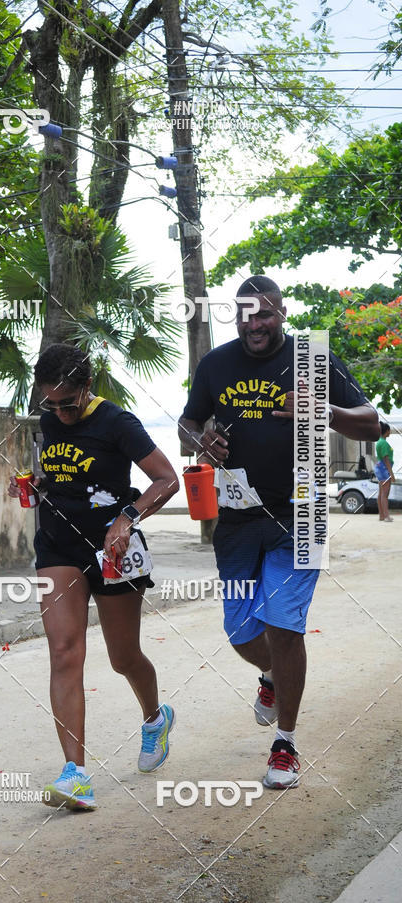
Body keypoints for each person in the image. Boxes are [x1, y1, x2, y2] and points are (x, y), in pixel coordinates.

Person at [178, 275, 379, 789]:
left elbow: (371, 422)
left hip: (302, 514)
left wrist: (325, 410)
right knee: (242, 632)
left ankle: (285, 743)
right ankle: (271, 677)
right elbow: (186, 423)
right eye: (245, 315)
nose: (255, 325)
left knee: (285, 625)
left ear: (281, 313)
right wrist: (201, 437)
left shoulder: (311, 358)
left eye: (264, 314)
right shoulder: (216, 364)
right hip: (239, 520)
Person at [8, 344, 179, 811]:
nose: (61, 413)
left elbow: (167, 480)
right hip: (58, 547)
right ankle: (75, 774)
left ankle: (154, 718)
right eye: (52, 404)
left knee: (123, 656)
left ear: (88, 387)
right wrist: (37, 485)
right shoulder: (48, 422)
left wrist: (127, 518)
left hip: (113, 549)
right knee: (64, 651)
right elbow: (62, 476)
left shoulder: (118, 423)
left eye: (69, 402)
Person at [375, 421, 395, 521]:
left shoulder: (379, 441)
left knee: (381, 493)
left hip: (380, 468)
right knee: (385, 494)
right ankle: (386, 516)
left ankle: (381, 515)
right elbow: (386, 458)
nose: (390, 432)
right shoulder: (383, 442)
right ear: (386, 431)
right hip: (384, 468)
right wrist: (391, 473)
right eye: (389, 430)